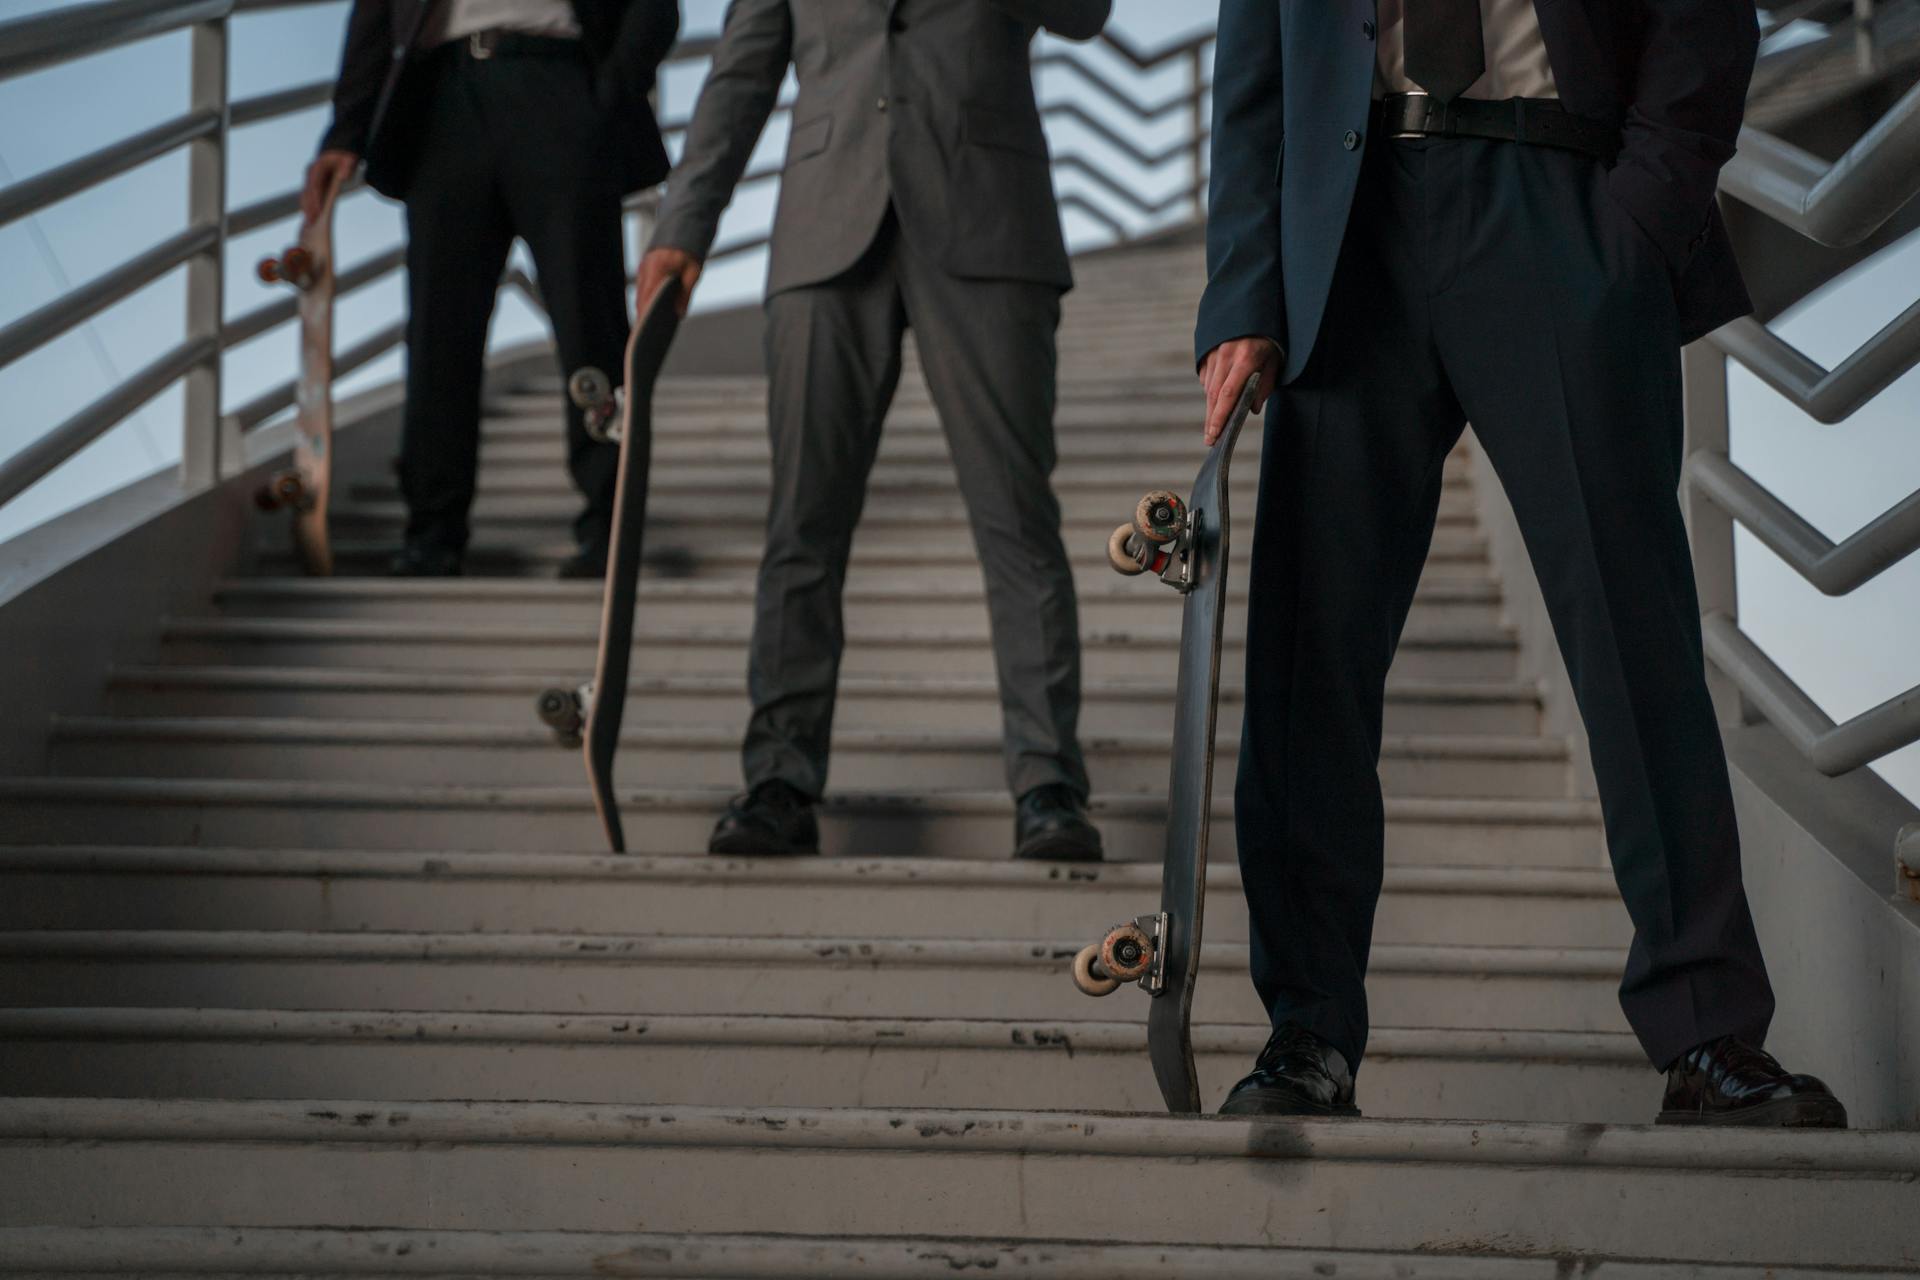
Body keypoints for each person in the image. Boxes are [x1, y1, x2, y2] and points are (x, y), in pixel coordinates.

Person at [1196, 0, 1848, 1127]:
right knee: (1312, 658)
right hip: (1349, 230)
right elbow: (1256, 56)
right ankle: (1307, 1029)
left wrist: (1641, 217)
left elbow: (1701, 19)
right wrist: (1246, 289)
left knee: (1634, 636)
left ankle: (1706, 1030)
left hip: (1560, 203)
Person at [636, 0, 1113, 862]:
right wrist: (683, 224)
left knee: (1017, 519)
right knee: (800, 527)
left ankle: (1048, 782)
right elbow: (740, 74)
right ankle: (780, 780)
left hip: (988, 219)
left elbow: (1086, 12)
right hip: (826, 225)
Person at [306, 0, 680, 579]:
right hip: (443, 98)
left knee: (591, 320)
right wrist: (345, 130)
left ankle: (612, 524)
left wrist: (610, 91)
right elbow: (377, 10)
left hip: (561, 81)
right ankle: (432, 532)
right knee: (438, 332)